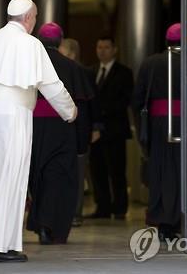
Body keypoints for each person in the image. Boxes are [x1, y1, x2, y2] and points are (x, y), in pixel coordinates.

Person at [0, 0, 77, 262]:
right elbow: (51, 85)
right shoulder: (31, 44)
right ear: (29, 18)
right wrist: (70, 112)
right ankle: (0, 246)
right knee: (11, 178)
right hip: (13, 115)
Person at [27, 23, 94, 244]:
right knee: (59, 179)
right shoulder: (73, 68)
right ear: (60, 41)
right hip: (63, 130)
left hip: (33, 129)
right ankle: (53, 227)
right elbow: (82, 109)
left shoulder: (30, 65)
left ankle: (41, 224)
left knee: (38, 176)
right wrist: (82, 143)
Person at [132, 23, 181, 240]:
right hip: (186, 125)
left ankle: (162, 223)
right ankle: (179, 221)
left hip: (158, 125)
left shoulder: (150, 63)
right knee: (181, 173)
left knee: (160, 174)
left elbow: (137, 100)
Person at [87, 36, 133, 219]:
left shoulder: (124, 72)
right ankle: (103, 207)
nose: (102, 50)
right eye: (99, 47)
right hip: (95, 131)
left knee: (117, 170)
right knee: (97, 171)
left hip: (115, 129)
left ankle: (120, 208)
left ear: (114, 49)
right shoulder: (91, 71)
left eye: (106, 47)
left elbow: (125, 100)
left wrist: (101, 112)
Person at [59, 38, 102, 227]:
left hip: (80, 128)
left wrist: (97, 126)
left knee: (77, 173)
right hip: (62, 128)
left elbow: (94, 102)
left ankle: (75, 212)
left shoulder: (85, 73)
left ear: (72, 53)